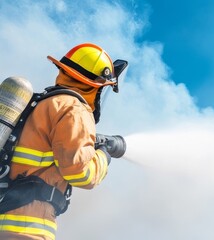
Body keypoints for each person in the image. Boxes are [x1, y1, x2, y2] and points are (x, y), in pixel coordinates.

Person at [0, 43, 128, 240]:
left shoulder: (40, 104)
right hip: (28, 228)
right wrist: (103, 156)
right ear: (95, 84)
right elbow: (80, 173)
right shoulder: (75, 109)